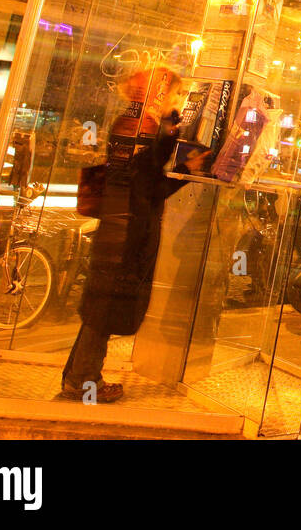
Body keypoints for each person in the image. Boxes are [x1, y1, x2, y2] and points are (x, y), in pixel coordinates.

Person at [62, 66, 207, 403]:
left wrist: (171, 134)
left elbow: (142, 173)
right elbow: (146, 186)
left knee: (102, 308)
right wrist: (187, 171)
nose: (177, 100)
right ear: (157, 93)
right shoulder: (138, 126)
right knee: (104, 311)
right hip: (125, 232)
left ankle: (78, 377)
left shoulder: (137, 123)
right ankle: (83, 381)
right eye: (174, 93)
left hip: (120, 226)